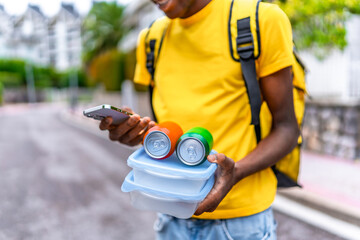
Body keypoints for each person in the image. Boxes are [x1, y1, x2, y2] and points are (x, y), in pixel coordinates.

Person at [100, 0, 300, 239]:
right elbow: (169, 129)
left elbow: (287, 129)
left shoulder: (261, 20)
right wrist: (139, 134)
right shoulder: (152, 38)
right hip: (171, 213)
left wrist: (236, 172)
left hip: (240, 224)